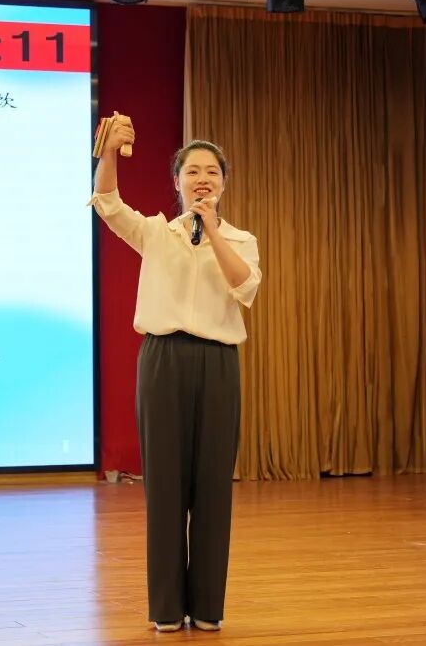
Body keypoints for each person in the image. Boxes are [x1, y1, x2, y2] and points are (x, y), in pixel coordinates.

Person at [88, 114, 262, 633]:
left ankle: (207, 607)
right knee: (164, 487)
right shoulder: (156, 234)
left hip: (218, 363)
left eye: (211, 172)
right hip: (162, 360)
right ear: (177, 181)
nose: (202, 179)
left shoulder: (241, 239)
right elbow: (108, 204)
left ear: (224, 183)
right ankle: (166, 608)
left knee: (212, 487)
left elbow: (245, 288)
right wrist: (109, 153)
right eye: (192, 171)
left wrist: (213, 230)